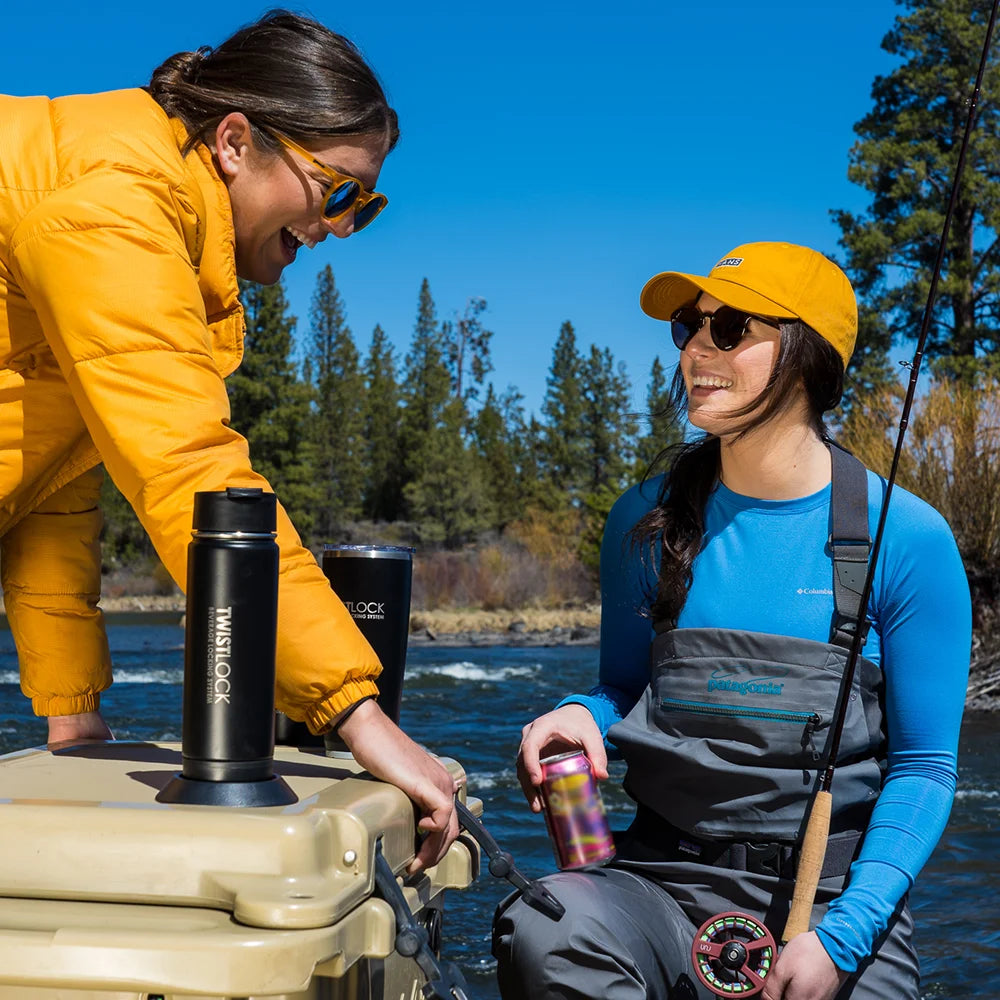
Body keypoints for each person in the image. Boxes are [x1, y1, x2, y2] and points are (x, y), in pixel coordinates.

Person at [0, 10, 457, 869]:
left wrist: (70, 710)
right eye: (338, 191)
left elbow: (48, 478)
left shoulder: (134, 201)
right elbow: (186, 469)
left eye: (367, 204)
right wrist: (358, 715)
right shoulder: (115, 200)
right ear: (236, 141)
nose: (337, 228)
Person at [494, 242, 971, 998]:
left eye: (731, 328)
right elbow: (621, 686)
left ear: (807, 356)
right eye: (689, 325)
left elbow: (925, 769)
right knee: (547, 926)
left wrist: (843, 941)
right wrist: (577, 715)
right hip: (658, 883)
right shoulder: (642, 521)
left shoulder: (908, 540)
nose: (695, 351)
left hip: (837, 903)